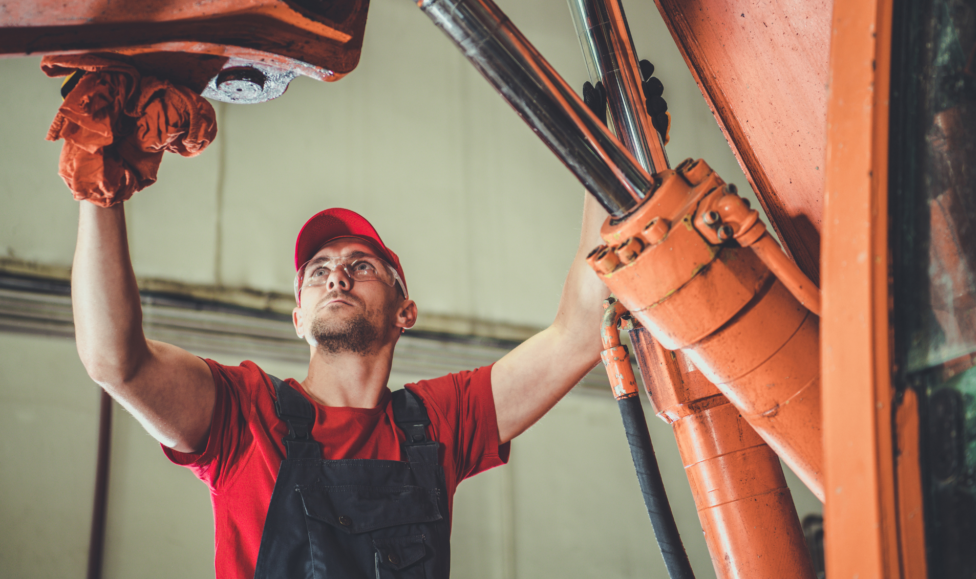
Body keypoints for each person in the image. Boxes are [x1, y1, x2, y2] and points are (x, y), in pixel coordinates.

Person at [72, 195, 609, 578]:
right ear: (298, 317)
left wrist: (604, 172)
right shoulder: (244, 412)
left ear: (406, 311)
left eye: (361, 265)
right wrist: (98, 193)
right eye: (318, 270)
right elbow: (116, 362)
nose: (336, 276)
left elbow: (579, 335)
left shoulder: (441, 420)